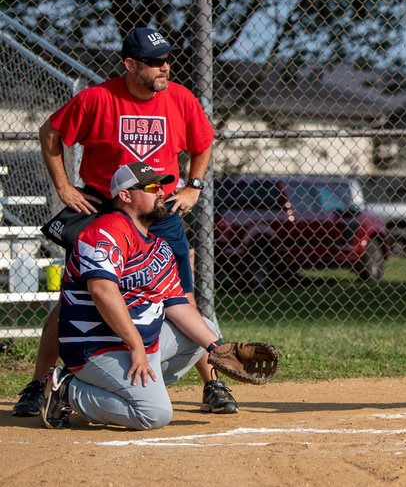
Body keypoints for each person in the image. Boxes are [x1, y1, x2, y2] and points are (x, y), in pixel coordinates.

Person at [13, 27, 238, 417]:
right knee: (74, 297)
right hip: (103, 206)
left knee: (180, 296)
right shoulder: (97, 99)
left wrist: (194, 187)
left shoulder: (180, 99)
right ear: (130, 64)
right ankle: (41, 383)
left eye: (167, 60)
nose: (164, 67)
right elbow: (50, 132)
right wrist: (64, 186)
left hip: (158, 207)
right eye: (153, 62)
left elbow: (203, 141)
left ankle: (212, 384)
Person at [42, 162, 229, 430]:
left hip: (134, 344)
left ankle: (127, 387)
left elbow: (177, 305)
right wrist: (136, 345)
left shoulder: (158, 246)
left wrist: (218, 348)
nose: (161, 193)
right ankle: (67, 390)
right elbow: (102, 290)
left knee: (204, 331)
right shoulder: (105, 230)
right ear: (125, 195)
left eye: (162, 187)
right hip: (96, 347)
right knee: (154, 415)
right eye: (152, 187)